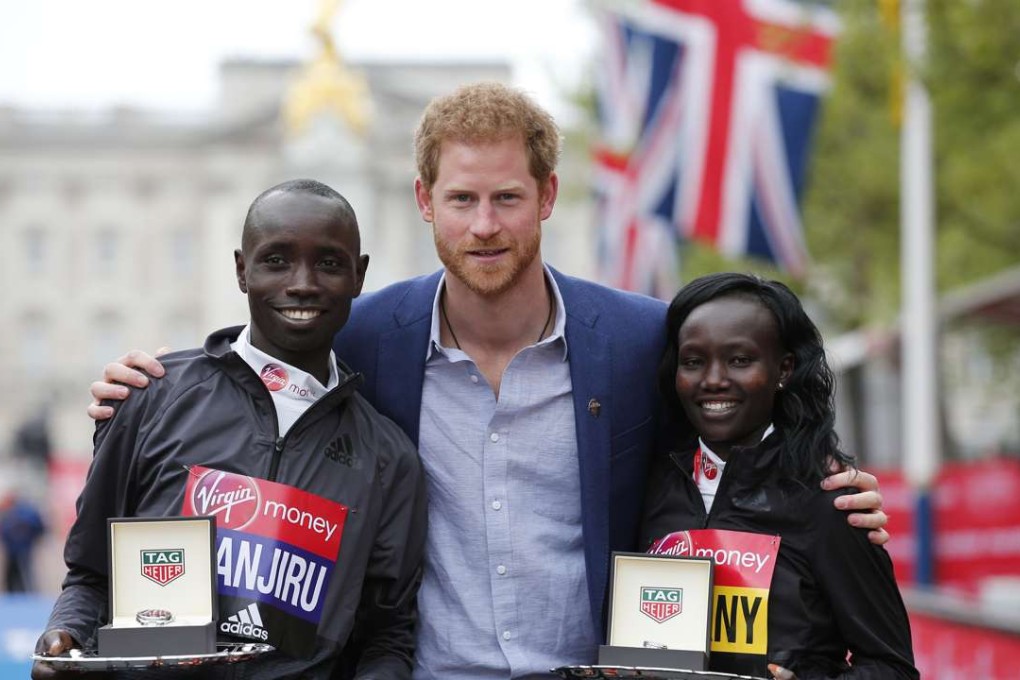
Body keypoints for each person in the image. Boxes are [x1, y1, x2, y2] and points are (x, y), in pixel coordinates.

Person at [88, 83, 888, 679]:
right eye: (462, 198)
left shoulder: (643, 340)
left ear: (545, 197)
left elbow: (737, 418)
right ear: (424, 203)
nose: (484, 225)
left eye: (507, 198)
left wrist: (827, 481)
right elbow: (257, 365)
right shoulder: (365, 334)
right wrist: (141, 387)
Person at [34, 180, 426, 680]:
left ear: (358, 275)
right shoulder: (150, 398)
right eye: (277, 260)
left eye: (328, 263)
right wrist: (63, 638)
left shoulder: (389, 458)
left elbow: (387, 635)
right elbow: (90, 575)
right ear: (242, 270)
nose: (302, 283)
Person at [640, 273, 917, 679]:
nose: (713, 380)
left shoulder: (829, 501)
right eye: (694, 362)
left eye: (739, 360)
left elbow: (893, 668)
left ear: (783, 369)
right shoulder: (646, 485)